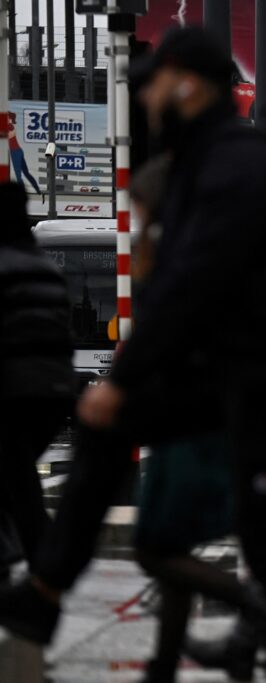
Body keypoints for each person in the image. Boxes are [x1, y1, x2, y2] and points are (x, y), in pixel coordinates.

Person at [0, 27, 266, 682]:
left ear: (187, 86)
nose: (144, 98)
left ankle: (46, 593)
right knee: (129, 465)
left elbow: (191, 284)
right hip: (243, 378)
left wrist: (126, 374)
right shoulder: (214, 164)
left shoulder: (233, 168)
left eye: (152, 84)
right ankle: (46, 592)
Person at [125, 156, 266, 683]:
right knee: (174, 546)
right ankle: (165, 663)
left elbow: (167, 332)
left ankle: (257, 610)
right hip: (209, 419)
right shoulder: (215, 251)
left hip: (188, 422)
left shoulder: (180, 256)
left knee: (154, 546)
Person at [0, 182, 74, 576]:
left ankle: (47, 566)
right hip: (55, 394)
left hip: (14, 392)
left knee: (18, 481)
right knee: (15, 477)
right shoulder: (47, 268)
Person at [6, 114, 43, 196]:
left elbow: (8, 135)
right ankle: (37, 190)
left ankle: (23, 193)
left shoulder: (10, 126)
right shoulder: (9, 126)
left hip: (15, 152)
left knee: (19, 175)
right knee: (26, 173)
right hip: (17, 151)